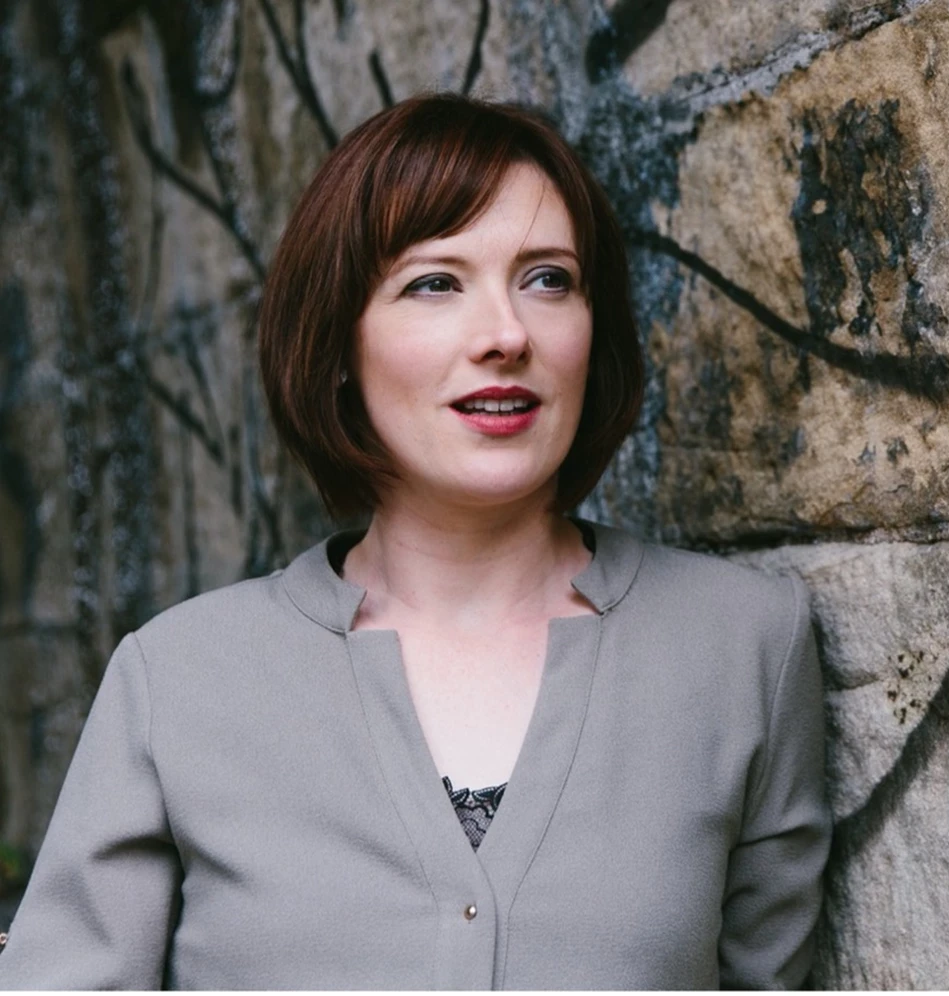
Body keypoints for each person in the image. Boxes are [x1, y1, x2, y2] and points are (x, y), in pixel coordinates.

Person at [0, 93, 830, 990]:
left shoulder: (746, 645)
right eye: (434, 282)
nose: (506, 334)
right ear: (337, 347)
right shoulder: (177, 680)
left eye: (548, 278)